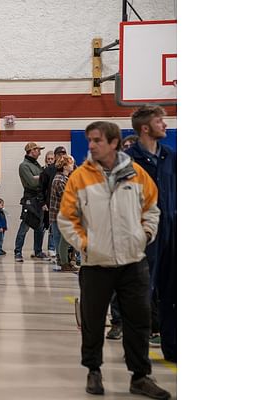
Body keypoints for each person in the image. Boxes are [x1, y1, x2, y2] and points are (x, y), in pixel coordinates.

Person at [58, 121, 170, 399]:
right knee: (93, 321)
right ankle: (93, 371)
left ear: (114, 143)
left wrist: (145, 234)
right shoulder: (79, 177)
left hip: (134, 262)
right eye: (89, 140)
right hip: (96, 264)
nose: (91, 145)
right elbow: (66, 218)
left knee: (138, 321)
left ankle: (140, 377)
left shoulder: (137, 174)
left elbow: (152, 209)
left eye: (97, 140)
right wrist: (86, 244)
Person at [126, 105, 176, 362]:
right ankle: (136, 352)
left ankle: (173, 348)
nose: (165, 125)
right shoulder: (128, 161)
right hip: (141, 234)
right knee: (140, 294)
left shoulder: (170, 156)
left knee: (173, 292)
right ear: (145, 128)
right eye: (160, 121)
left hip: (171, 232)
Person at [13, 142, 48, 262]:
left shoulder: (36, 165)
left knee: (40, 226)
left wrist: (39, 177)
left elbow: (40, 180)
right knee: (26, 225)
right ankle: (18, 251)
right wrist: (42, 177)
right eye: (38, 150)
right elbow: (32, 183)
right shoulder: (24, 166)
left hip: (39, 198)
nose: (40, 152)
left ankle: (38, 251)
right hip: (30, 199)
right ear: (31, 151)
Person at [49, 155, 78, 272]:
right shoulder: (60, 180)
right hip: (60, 216)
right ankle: (64, 263)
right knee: (64, 240)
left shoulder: (64, 178)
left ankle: (65, 261)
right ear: (65, 166)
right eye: (71, 164)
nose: (73, 166)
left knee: (64, 240)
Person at [40, 146, 68, 258]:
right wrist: (43, 203)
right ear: (56, 156)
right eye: (60, 154)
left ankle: (66, 257)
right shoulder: (48, 170)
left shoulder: (68, 169)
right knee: (54, 231)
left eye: (64, 154)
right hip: (53, 205)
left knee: (65, 234)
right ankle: (57, 254)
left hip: (66, 206)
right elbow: (41, 188)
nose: (62, 156)